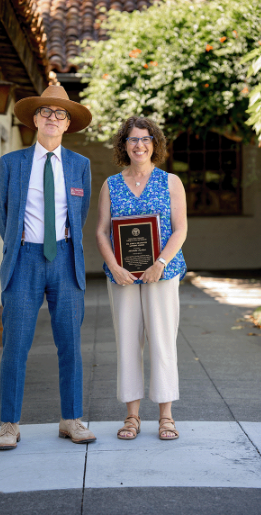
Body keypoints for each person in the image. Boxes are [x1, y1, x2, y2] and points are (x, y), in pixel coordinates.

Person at [0, 85, 96, 449]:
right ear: (35, 118)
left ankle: (71, 419)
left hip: (66, 261)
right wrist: (21, 246)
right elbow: (2, 214)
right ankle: (9, 424)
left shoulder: (80, 166)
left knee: (69, 344)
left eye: (61, 114)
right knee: (15, 345)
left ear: (68, 124)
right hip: (24, 261)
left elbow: (79, 216)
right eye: (47, 112)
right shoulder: (12, 164)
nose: (53, 119)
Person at [96, 116, 187, 440]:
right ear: (124, 145)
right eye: (133, 139)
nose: (140, 144)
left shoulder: (170, 182)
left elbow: (180, 229)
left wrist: (161, 262)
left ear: (155, 143)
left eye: (146, 139)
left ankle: (166, 417)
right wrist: (115, 267)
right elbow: (101, 231)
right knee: (127, 343)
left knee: (162, 342)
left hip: (162, 274)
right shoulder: (111, 184)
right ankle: (131, 417)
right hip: (122, 277)